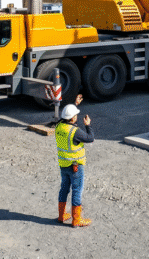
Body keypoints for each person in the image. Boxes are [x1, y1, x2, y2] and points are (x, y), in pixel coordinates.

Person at [56, 94, 94, 227]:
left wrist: (75, 104)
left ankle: (61, 216)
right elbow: (90, 138)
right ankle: (76, 220)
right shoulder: (75, 132)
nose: (76, 117)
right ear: (72, 118)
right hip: (76, 166)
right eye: (75, 115)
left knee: (64, 189)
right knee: (77, 190)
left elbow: (65, 116)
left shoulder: (58, 126)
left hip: (63, 165)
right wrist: (88, 125)